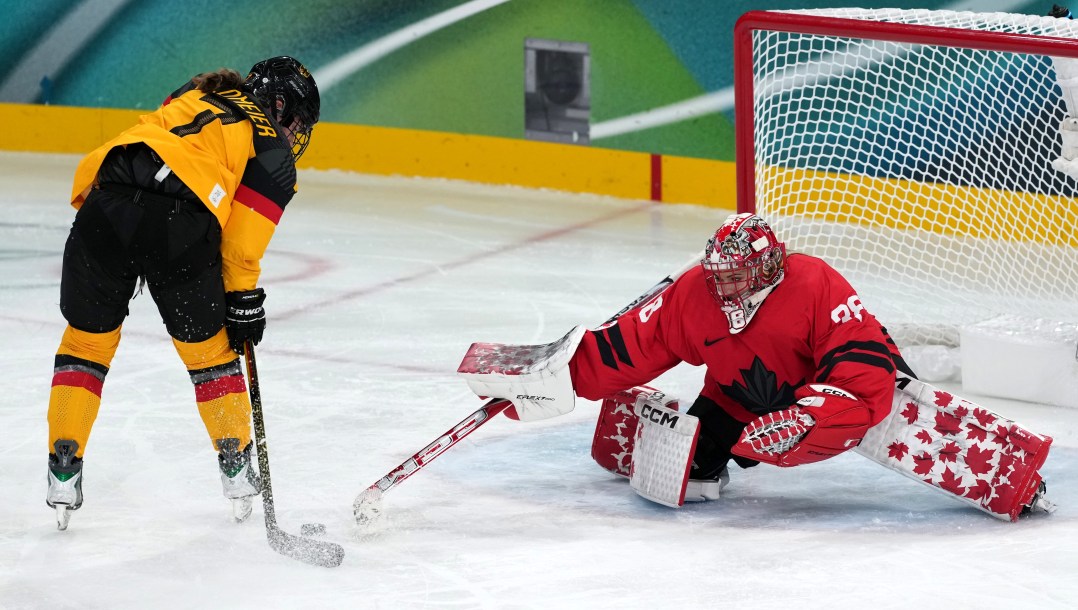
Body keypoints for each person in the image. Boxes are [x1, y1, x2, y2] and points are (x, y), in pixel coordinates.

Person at [459, 212, 1053, 518]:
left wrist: (813, 417)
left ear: (767, 268)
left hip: (828, 393)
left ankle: (1019, 480)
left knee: (887, 413)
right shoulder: (693, 294)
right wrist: (553, 378)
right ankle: (705, 444)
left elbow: (863, 367)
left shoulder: (815, 284)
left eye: (736, 277)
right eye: (718, 276)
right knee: (689, 478)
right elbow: (630, 346)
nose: (723, 289)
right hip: (738, 397)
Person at [45, 56, 320, 529]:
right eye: (295, 119)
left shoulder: (195, 91)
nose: (294, 132)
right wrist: (243, 302)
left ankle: (62, 473)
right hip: (178, 225)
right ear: (277, 105)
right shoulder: (272, 150)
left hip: (104, 206)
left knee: (85, 345)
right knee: (210, 354)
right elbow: (241, 249)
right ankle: (236, 469)